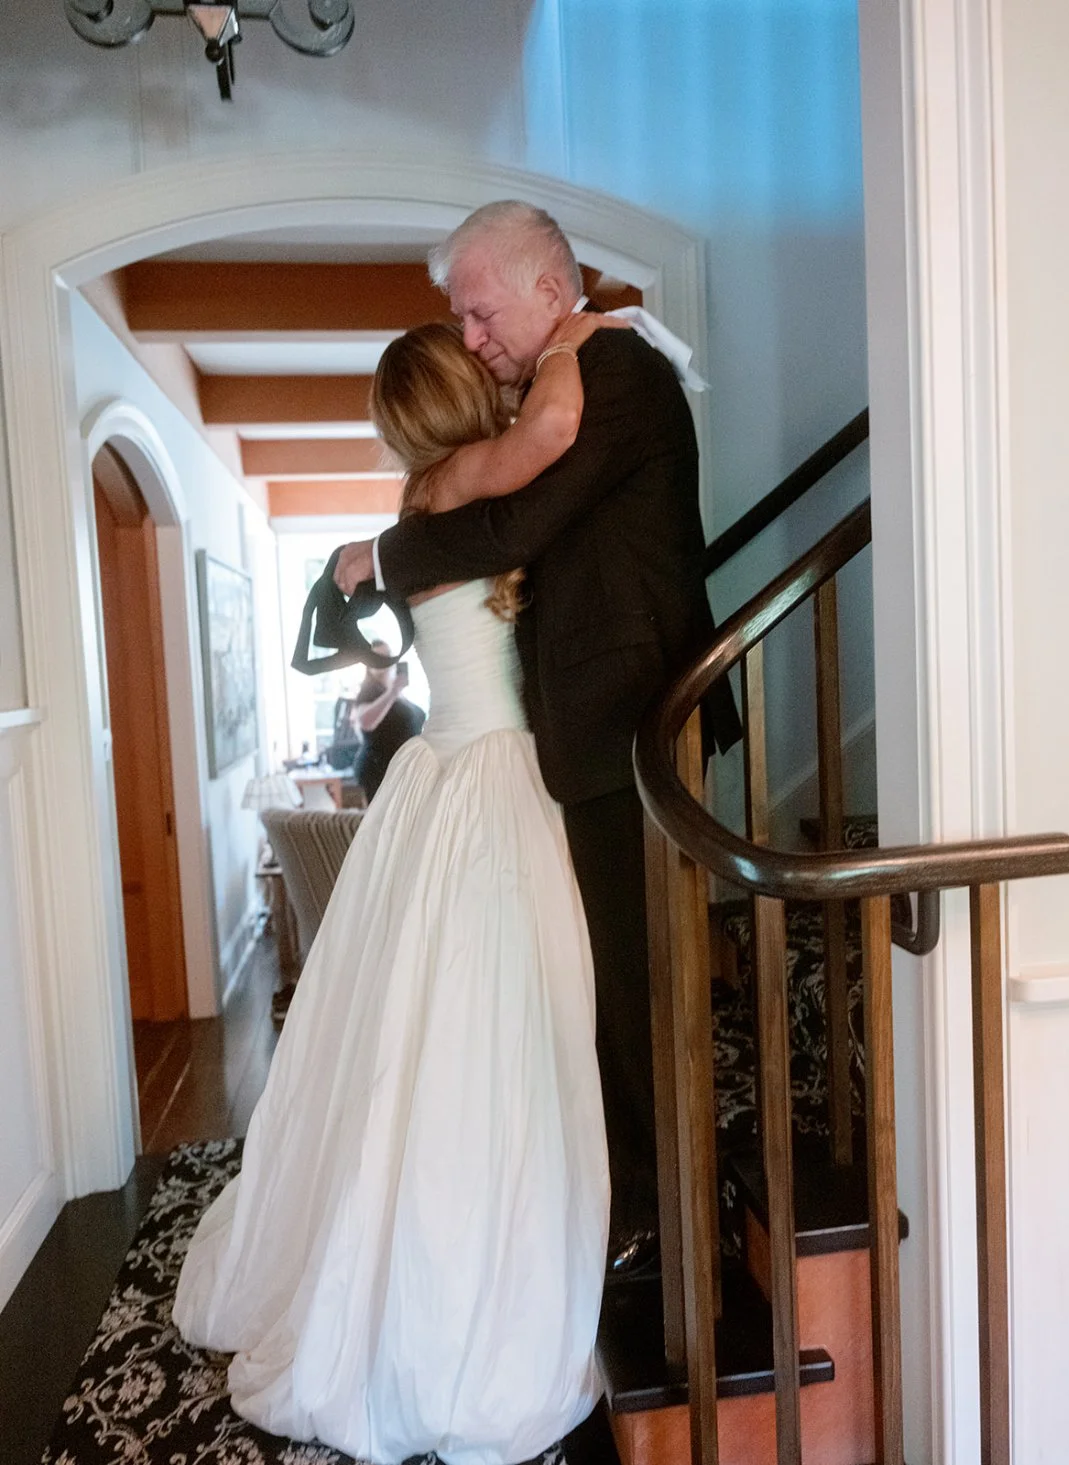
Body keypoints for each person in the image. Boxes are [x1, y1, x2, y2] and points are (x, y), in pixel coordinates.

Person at [173, 314, 617, 1463]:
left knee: (463, 1030)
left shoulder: (435, 510)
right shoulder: (454, 493)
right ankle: (458, 1287)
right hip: (490, 781)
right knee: (491, 1033)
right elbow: (554, 430)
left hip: (468, 776)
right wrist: (569, 332)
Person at [335, 200, 737, 1280]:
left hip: (635, 728)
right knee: (602, 980)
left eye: (477, 313)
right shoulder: (566, 376)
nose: (470, 339)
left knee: (637, 984)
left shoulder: (613, 373)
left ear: (550, 294)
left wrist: (389, 548)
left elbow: (514, 529)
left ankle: (675, 1221)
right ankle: (638, 1196)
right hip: (591, 734)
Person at [351, 644, 426, 800]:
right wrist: (393, 692)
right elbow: (365, 722)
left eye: (387, 656)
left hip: (403, 769)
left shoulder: (395, 692)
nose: (382, 662)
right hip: (380, 768)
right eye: (377, 657)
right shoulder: (369, 691)